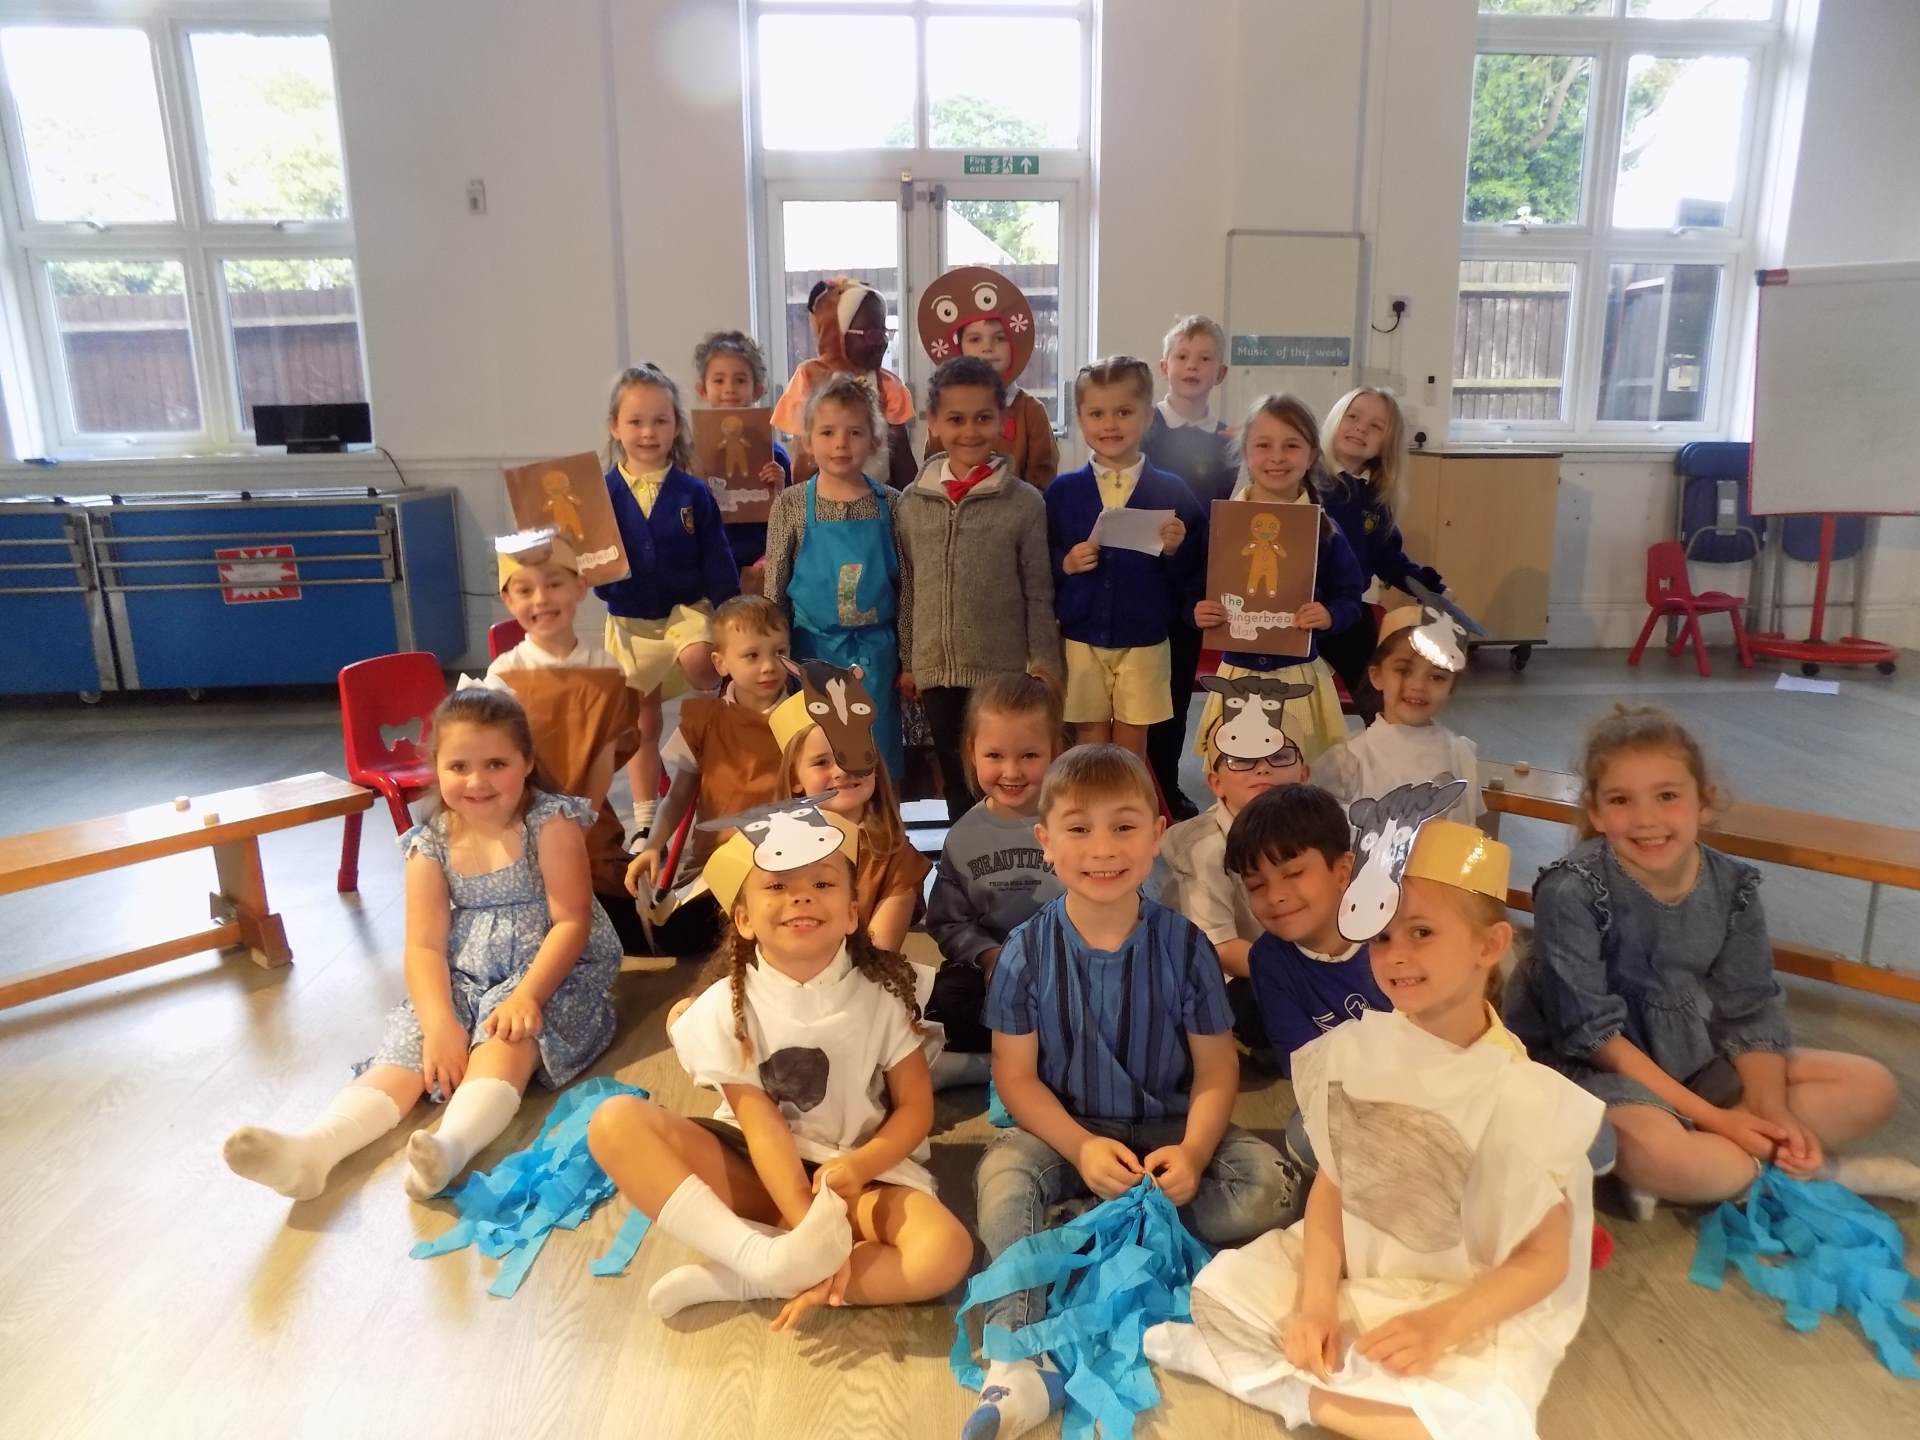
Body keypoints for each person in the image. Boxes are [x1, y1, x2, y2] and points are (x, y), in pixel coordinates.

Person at [1146, 819, 1603, 1440]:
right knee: (1222, 1291)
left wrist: (1442, 1326)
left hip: (1461, 1299)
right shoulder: (1354, 1049)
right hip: (1360, 1275)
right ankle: (1306, 1379)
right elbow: (1334, 1188)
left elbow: (1545, 1260)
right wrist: (1315, 1302)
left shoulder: (1520, 1095)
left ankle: (1290, 1391)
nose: (1396, 955)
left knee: (1484, 1428)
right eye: (1382, 936)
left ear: (1490, 945)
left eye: (1422, 932)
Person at [966, 744, 1301, 1440]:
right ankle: (1017, 1355)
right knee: (1002, 1177)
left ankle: (1093, 1227)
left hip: (1166, 1130)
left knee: (1270, 1186)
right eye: (1079, 829)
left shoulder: (1187, 947)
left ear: (1156, 834)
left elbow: (1217, 1071)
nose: (1102, 849)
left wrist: (1195, 1153)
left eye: (1123, 827)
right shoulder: (1025, 951)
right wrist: (1080, 1146)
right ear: (1046, 841)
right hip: (1063, 1132)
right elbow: (1016, 1079)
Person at [1505, 705, 1917, 1217]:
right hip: (1591, 1068)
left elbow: (1750, 1009)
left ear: (1704, 800)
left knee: (1872, 1087)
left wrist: (1772, 1111)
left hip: (1691, 1056)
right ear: (1596, 811)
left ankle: (1727, 1165)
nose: (1647, 819)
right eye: (1621, 800)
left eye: (1667, 796)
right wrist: (1719, 1120)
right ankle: (1823, 1174)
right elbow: (1592, 1036)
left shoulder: (1732, 885)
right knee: (1665, 1155)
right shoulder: (1571, 890)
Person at [585, 796, 971, 1327]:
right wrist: (808, 1228)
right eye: (777, 886)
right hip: (755, 1167)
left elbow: (914, 1109)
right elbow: (761, 1127)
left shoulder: (885, 994)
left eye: (822, 883)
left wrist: (858, 1168)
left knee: (945, 1252)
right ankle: (763, 1256)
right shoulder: (727, 1006)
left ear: (852, 912)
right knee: (613, 1122)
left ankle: (755, 1277)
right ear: (743, 918)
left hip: (854, 1175)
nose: (801, 897)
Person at [223, 689, 621, 1203]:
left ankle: (451, 1148)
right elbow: (425, 946)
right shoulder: (430, 840)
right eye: (459, 766)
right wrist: (439, 1026)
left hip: (548, 971)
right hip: (466, 971)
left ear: (526, 762)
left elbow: (571, 921)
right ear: (437, 768)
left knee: (506, 1038)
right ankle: (314, 1151)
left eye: (496, 764)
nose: (476, 781)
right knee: (408, 1050)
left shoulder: (550, 821)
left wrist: (527, 995)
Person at [897, 355, 1063, 821]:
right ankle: (964, 856)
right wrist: (910, 660)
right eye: (956, 419)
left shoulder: (1025, 503)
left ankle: (1015, 853)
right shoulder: (911, 503)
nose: (970, 431)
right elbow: (909, 585)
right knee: (955, 775)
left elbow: (1038, 591)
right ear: (933, 423)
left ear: (1002, 420)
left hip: (1001, 671)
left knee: (1008, 776)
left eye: (982, 418)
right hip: (935, 671)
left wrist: (1045, 666)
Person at [473, 528, 645, 951]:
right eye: (525, 590)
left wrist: (582, 819)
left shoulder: (605, 671)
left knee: (610, 904)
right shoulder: (503, 675)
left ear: (580, 587)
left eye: (554, 584)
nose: (541, 600)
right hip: (522, 814)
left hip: (589, 812)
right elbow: (495, 760)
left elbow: (603, 755)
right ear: (508, 600)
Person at [595, 363, 740, 839]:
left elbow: (716, 555)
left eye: (660, 420)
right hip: (631, 621)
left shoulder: (691, 491)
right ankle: (644, 821)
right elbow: (591, 560)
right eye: (635, 421)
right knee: (641, 722)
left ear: (676, 425)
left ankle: (704, 737)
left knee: (702, 663)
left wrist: (730, 612)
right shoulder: (601, 493)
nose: (648, 432)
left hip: (686, 610)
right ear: (615, 427)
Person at [1193, 393, 1366, 764]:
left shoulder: (1325, 530)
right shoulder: (1223, 525)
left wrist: (1330, 615)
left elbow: (1351, 595)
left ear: (1312, 455)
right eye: (1263, 445)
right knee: (1237, 768)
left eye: (1291, 445)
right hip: (1237, 672)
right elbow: (1193, 587)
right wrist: (1197, 610)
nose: (1277, 457)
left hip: (1298, 675)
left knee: (1298, 769)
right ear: (1246, 452)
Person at [1046, 356, 1205, 758]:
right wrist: (1065, 563)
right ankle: (1091, 799)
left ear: (1147, 416)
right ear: (1080, 419)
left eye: (1123, 412)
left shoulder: (1172, 491)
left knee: (1132, 746)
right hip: (1081, 637)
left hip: (1145, 639)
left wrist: (1176, 549)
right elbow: (1038, 558)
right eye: (1097, 414)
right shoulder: (1063, 492)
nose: (1110, 424)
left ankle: (1129, 800)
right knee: (1089, 741)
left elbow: (1199, 567)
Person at [624, 594, 793, 955]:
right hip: (717, 863)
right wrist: (652, 845)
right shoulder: (705, 720)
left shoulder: (802, 718)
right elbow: (678, 795)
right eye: (752, 656)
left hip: (785, 862)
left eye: (779, 652)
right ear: (720, 662)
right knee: (678, 937)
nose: (768, 667)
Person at [1159, 681, 1316, 1062]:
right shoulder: (1203, 849)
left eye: (1279, 756)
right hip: (1229, 967)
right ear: (1215, 783)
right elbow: (1220, 947)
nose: (1263, 767)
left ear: (1304, 774)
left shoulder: (1322, 828)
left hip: (1296, 954)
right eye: (1241, 760)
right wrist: (1303, 972)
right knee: (1254, 1008)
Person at [923, 672, 1067, 1086]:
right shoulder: (963, 836)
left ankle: (1025, 1060)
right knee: (946, 998)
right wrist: (989, 957)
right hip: (994, 970)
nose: (1011, 771)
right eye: (995, 755)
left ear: (1056, 750)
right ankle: (1012, 1063)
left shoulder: (1077, 823)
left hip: (1068, 964)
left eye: (1029, 755)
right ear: (971, 752)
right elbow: (949, 922)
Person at [762, 374, 905, 781]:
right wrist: (775, 659)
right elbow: (774, 592)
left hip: (876, 659)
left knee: (876, 757)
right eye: (827, 432)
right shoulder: (791, 505)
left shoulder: (893, 505)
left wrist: (909, 660)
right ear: (808, 440)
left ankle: (883, 821)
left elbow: (908, 591)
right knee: (818, 757)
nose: (841, 443)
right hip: (810, 656)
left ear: (874, 440)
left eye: (854, 432)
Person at [1144, 315, 1238, 820]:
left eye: (1204, 359)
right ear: (1165, 367)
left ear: (1220, 373)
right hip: (1144, 575)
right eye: (1182, 356)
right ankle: (1133, 781)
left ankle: (1166, 781)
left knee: (1178, 689)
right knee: (1136, 686)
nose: (1192, 366)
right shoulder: (1145, 427)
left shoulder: (1229, 441)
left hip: (1193, 584)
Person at [1318, 387, 1442, 723]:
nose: (1360, 428)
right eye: (1353, 417)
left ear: (1387, 443)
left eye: (1375, 426)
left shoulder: (1375, 497)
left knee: (1378, 686)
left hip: (1346, 612)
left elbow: (1388, 558)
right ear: (1336, 420)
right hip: (1299, 608)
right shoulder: (1307, 480)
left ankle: (1389, 737)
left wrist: (1429, 586)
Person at [1316, 605, 1483, 827]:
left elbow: (1473, 834)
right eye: (1403, 671)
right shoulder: (1349, 760)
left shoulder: (1460, 755)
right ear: (1377, 675)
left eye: (1437, 677)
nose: (1418, 686)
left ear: (1451, 687)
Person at [914, 264, 1059, 490]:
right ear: (959, 347)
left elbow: (1043, 476)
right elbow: (933, 465)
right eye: (975, 339)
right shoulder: (945, 408)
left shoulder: (1031, 411)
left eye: (999, 338)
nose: (988, 348)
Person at [771, 277, 917, 490]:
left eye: (883, 332)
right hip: (822, 499)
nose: (881, 341)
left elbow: (901, 455)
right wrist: (802, 501)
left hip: (878, 498)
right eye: (870, 333)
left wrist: (911, 500)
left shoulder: (887, 385)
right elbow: (803, 455)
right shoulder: (810, 377)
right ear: (837, 333)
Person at [693, 329, 793, 578]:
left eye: (740, 380)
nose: (729, 389)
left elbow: (791, 516)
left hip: (759, 562)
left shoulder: (774, 455)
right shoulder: (691, 454)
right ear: (702, 390)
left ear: (757, 390)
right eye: (719, 381)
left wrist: (780, 487)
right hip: (707, 561)